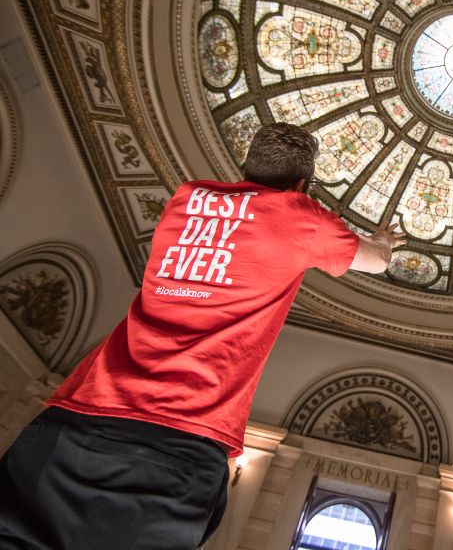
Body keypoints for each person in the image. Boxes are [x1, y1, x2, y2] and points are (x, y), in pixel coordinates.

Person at [0, 123, 405, 550]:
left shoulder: (187, 197)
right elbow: (376, 261)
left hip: (77, 417)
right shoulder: (298, 216)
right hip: (178, 438)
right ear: (302, 185)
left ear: (245, 168)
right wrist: (382, 240)